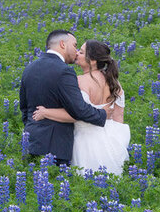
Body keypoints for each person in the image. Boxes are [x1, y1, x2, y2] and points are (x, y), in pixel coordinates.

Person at [32, 40, 130, 174]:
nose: (77, 53)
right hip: (110, 142)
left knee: (83, 184)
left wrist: (46, 112)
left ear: (93, 61)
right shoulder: (114, 83)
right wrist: (118, 143)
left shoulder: (80, 81)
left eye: (82, 52)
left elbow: (77, 114)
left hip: (84, 143)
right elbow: (119, 117)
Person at [19, 29, 108, 167]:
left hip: (31, 142)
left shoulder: (29, 68)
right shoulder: (64, 71)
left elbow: (24, 108)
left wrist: (33, 128)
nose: (76, 50)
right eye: (74, 45)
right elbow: (78, 109)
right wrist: (103, 114)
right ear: (62, 44)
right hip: (55, 149)